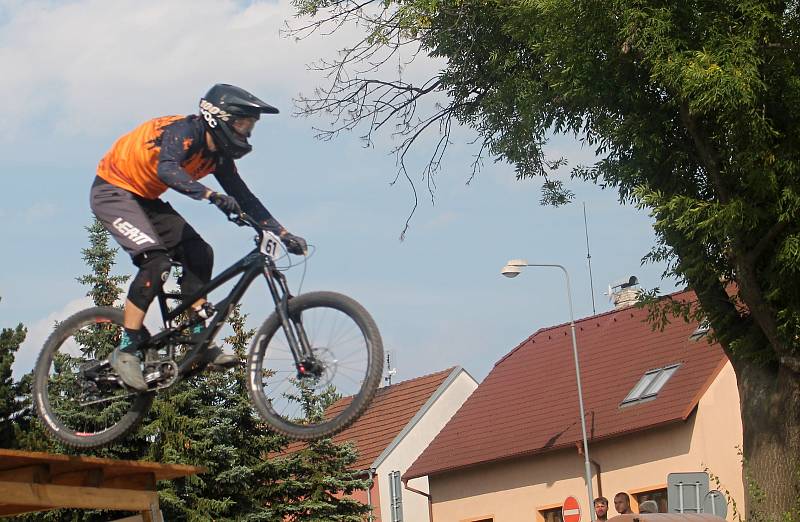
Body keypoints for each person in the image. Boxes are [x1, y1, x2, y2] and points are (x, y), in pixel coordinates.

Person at [90, 83, 307, 391]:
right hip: (113, 191)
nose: (247, 132)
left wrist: (283, 234)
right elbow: (167, 169)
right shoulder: (185, 131)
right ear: (220, 118)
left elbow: (244, 197)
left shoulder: (218, 157)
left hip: (146, 199)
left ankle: (197, 338)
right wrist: (209, 194)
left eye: (250, 126)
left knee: (200, 253)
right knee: (156, 262)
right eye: (243, 123)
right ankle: (127, 347)